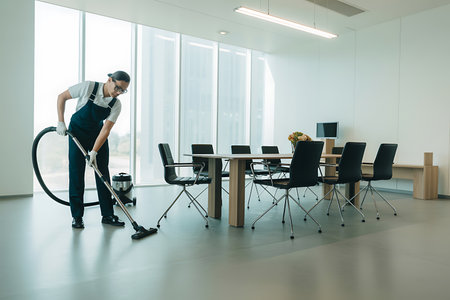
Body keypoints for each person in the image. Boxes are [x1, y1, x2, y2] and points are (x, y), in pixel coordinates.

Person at [56, 71, 130, 229]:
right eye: (117, 88)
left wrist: (94, 152)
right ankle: (77, 217)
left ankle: (108, 215)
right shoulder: (88, 87)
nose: (118, 93)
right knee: (76, 173)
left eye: (122, 91)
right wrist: (60, 122)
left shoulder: (116, 104)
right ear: (109, 80)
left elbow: (106, 130)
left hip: (97, 134)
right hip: (77, 132)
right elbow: (61, 97)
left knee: (102, 172)